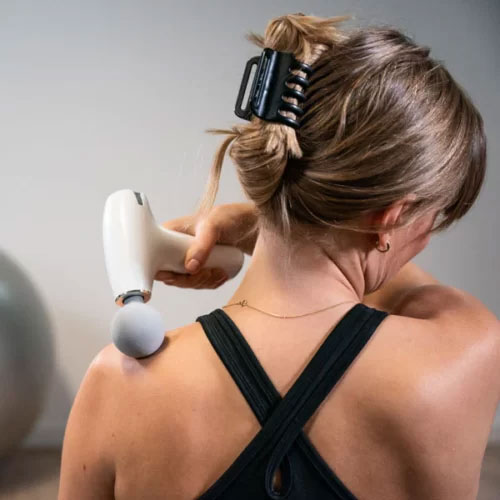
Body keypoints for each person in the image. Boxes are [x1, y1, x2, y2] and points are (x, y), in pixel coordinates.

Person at [59, 13, 500, 500]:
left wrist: (269, 222)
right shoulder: (464, 356)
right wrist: (258, 223)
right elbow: (426, 296)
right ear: (390, 218)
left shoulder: (117, 387)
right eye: (430, 220)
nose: (426, 240)